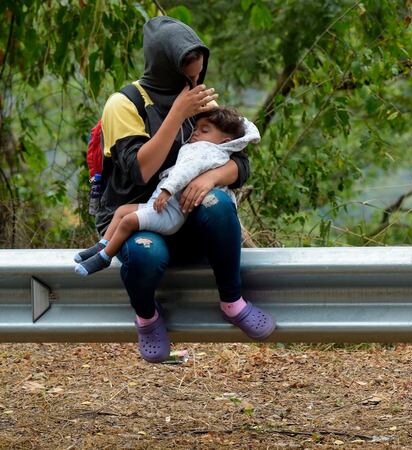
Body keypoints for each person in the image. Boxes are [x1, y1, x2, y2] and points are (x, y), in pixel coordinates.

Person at [89, 16, 274, 363]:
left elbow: (240, 162)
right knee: (146, 253)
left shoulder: (200, 103)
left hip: (182, 217)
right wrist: (177, 113)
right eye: (186, 76)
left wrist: (211, 179)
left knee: (218, 201)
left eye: (199, 75)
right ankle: (147, 317)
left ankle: (232, 301)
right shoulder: (124, 104)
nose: (194, 83)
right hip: (138, 219)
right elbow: (142, 172)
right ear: (165, 69)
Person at [74, 107, 258, 276]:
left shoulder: (205, 150)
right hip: (158, 204)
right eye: (197, 128)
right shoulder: (129, 104)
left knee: (128, 221)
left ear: (225, 141)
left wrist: (167, 190)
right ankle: (101, 245)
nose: (195, 132)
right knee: (122, 211)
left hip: (170, 210)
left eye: (204, 130)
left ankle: (104, 257)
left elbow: (185, 172)